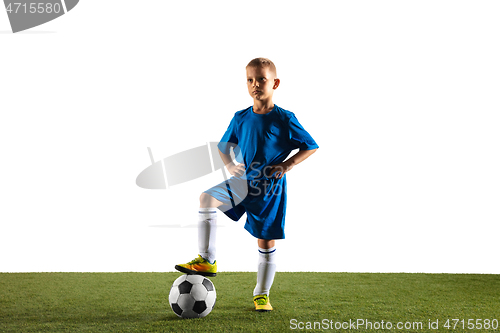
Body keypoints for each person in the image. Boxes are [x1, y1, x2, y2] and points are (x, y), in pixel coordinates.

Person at [175, 58, 318, 312]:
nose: (255, 84)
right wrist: (230, 165)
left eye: (261, 79)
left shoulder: (285, 118)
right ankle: (208, 260)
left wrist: (286, 165)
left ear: (275, 83)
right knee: (206, 198)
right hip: (242, 182)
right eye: (250, 80)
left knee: (265, 242)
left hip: (269, 190)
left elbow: (310, 145)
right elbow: (223, 146)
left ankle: (261, 295)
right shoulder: (240, 117)